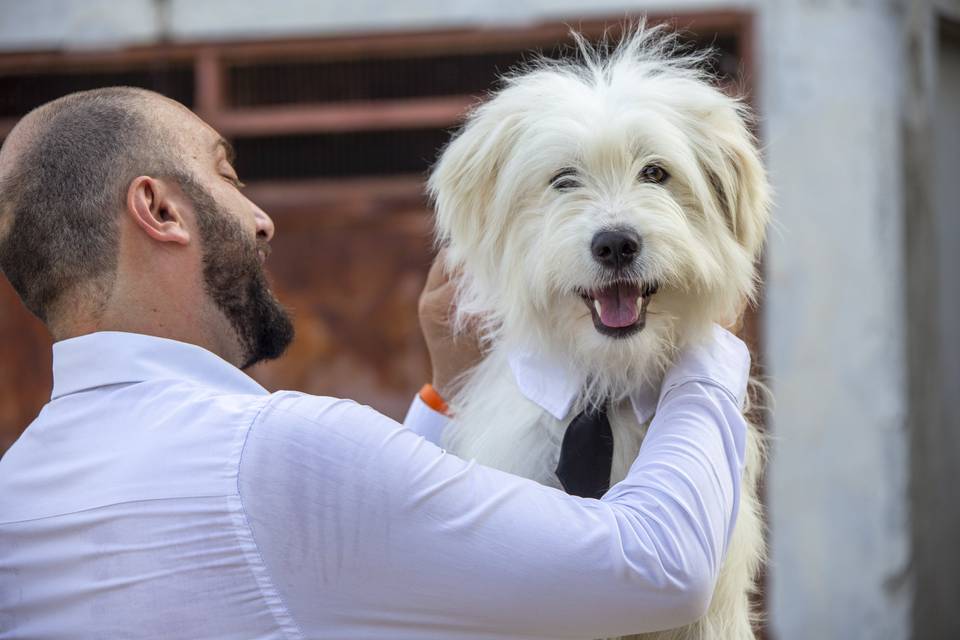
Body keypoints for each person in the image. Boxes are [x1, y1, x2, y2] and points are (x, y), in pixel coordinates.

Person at [0, 87, 751, 639]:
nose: (262, 220)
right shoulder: (271, 451)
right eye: (228, 176)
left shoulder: (20, 496)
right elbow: (658, 570)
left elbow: (344, 551)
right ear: (159, 211)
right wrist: (711, 345)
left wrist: (443, 394)